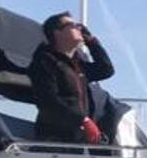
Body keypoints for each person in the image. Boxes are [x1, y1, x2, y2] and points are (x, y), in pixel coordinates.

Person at [28, 11, 115, 145]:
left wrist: (91, 41)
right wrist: (83, 121)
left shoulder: (78, 66)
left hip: (78, 139)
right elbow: (48, 101)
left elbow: (106, 70)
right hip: (55, 140)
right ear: (57, 32)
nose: (78, 27)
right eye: (71, 25)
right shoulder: (44, 62)